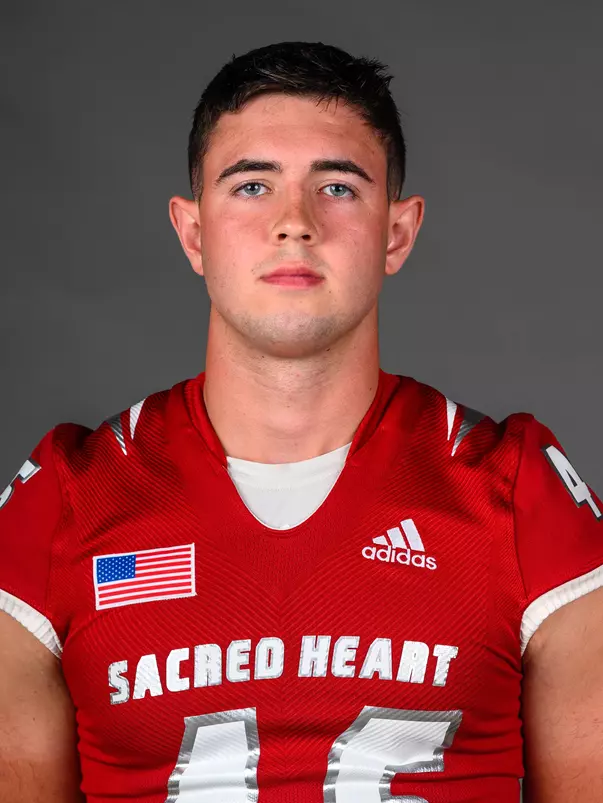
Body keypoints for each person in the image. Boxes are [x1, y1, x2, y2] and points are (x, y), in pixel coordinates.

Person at [0, 40, 602, 803]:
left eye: (339, 188)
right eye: (251, 186)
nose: (295, 222)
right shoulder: (65, 496)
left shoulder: (517, 490)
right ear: (192, 233)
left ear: (397, 231)